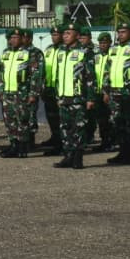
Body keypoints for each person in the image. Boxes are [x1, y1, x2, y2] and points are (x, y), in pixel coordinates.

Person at [52, 22, 96, 169]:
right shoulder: (61, 52)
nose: (65, 36)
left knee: (79, 128)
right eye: (64, 34)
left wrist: (90, 98)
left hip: (79, 97)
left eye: (68, 34)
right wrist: (58, 96)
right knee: (65, 128)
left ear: (77, 35)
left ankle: (78, 158)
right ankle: (68, 156)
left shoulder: (85, 52)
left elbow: (90, 77)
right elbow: (59, 75)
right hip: (64, 97)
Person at [0, 28, 38, 159]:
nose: (13, 40)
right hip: (7, 93)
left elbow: (35, 76)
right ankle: (13, 145)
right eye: (11, 38)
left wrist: (33, 93)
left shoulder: (29, 54)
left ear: (22, 38)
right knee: (10, 121)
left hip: (21, 93)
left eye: (16, 38)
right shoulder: (5, 53)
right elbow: (1, 74)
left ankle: (23, 147)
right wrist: (0, 90)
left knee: (22, 121)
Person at [104, 22, 130, 165]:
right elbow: (107, 71)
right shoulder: (113, 50)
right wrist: (106, 91)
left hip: (128, 93)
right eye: (119, 32)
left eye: (124, 32)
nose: (120, 35)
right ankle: (123, 153)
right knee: (118, 124)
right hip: (115, 93)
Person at [88, 32, 114, 151]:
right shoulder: (96, 56)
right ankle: (105, 142)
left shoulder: (113, 55)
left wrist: (107, 92)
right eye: (101, 43)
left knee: (111, 119)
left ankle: (112, 142)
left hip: (109, 93)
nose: (103, 45)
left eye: (105, 43)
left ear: (110, 43)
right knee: (101, 119)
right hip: (97, 92)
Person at [22, 29, 47, 151]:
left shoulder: (36, 53)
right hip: (18, 92)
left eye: (25, 38)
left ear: (30, 39)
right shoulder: (17, 52)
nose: (22, 40)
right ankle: (21, 142)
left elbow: (38, 75)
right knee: (20, 118)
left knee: (30, 117)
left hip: (30, 91)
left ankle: (30, 142)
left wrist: (34, 93)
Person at [41, 26, 64, 149]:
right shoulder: (48, 50)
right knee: (51, 115)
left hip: (60, 89)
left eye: (56, 35)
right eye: (53, 35)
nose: (54, 37)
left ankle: (61, 140)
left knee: (61, 116)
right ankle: (54, 136)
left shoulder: (65, 49)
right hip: (49, 87)